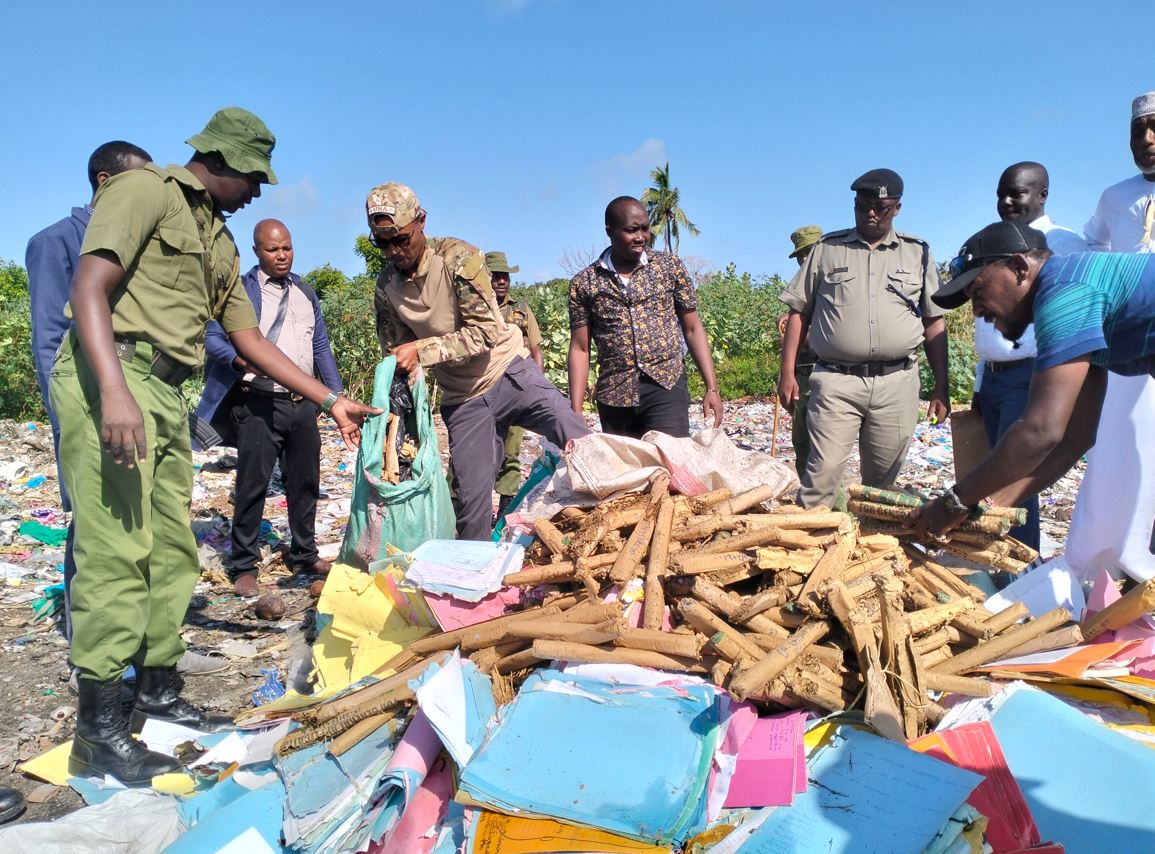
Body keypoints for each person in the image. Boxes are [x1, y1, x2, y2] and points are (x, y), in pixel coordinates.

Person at [56, 107, 375, 785]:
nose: (259, 190)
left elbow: (250, 340)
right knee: (116, 549)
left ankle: (158, 697)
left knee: (171, 552)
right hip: (114, 375)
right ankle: (99, 731)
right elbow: (90, 286)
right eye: (254, 176)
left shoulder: (220, 242)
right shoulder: (142, 192)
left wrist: (327, 397)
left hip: (171, 395)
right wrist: (113, 391)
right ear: (223, 161)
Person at [26, 142, 226, 677]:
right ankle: (93, 665)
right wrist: (77, 409)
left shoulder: (153, 228)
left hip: (145, 391)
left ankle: (148, 666)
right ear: (104, 182)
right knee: (100, 534)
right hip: (98, 393)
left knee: (152, 535)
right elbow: (51, 335)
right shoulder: (57, 241)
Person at [910, 220, 1155, 551]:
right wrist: (987, 507)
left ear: (1019, 267)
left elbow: (1040, 431)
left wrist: (953, 502)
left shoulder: (1064, 293)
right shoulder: (1074, 293)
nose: (977, 310)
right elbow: (1074, 438)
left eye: (978, 291)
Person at [370, 183, 588, 541]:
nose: (394, 251)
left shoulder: (458, 258)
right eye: (383, 243)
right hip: (464, 398)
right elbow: (395, 357)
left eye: (401, 239)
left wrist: (421, 351)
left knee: (577, 437)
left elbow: (484, 333)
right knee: (471, 504)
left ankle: (627, 515)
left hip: (508, 372)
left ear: (420, 222)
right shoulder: (387, 288)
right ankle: (476, 581)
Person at [778, 169, 949, 508]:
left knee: (881, 489)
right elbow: (799, 311)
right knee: (820, 479)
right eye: (863, 205)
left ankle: (869, 554)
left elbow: (933, 321)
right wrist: (786, 373)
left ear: (897, 208)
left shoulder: (918, 254)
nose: (871, 213)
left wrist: (941, 386)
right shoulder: (827, 250)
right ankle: (809, 553)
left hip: (897, 384)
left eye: (880, 207)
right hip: (836, 382)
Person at [196, 219, 342, 598]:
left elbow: (321, 349)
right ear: (257, 251)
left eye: (287, 248)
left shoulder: (305, 292)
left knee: (305, 482)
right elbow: (213, 338)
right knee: (252, 485)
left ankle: (303, 554)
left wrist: (335, 399)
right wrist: (242, 362)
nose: (282, 256)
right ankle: (243, 564)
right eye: (273, 250)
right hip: (259, 402)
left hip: (301, 405)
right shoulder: (242, 292)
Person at [971, 162, 1086, 550]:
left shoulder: (1064, 245)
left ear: (1041, 195)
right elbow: (985, 326)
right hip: (994, 376)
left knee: (1018, 465)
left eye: (1016, 193)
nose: (1006, 202)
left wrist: (954, 501)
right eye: (1000, 194)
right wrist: (978, 380)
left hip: (1036, 375)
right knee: (999, 469)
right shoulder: (995, 242)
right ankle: (997, 554)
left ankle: (1019, 562)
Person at [1065, 90, 1155, 583]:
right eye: (1137, 131)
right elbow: (1092, 244)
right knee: (1119, 448)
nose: (1146, 139)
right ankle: (1107, 559)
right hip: (1129, 346)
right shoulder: (1114, 197)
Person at [568, 196, 723, 439]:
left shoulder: (669, 267)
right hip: (615, 394)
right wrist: (575, 410)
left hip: (666, 385)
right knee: (627, 473)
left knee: (671, 466)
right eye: (631, 230)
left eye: (645, 228)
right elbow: (580, 347)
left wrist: (711, 388)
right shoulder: (584, 282)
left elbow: (692, 328)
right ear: (610, 231)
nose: (641, 236)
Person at [486, 251, 543, 519]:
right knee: (475, 452)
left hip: (516, 387)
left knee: (511, 451)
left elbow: (535, 350)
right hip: (482, 389)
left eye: (505, 277)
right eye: (495, 276)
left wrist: (537, 386)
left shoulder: (520, 309)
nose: (501, 282)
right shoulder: (474, 309)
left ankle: (504, 512)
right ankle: (466, 512)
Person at [778, 225, 822, 479]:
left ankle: (829, 507)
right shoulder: (800, 289)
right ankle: (808, 504)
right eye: (801, 256)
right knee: (802, 443)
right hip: (801, 373)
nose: (804, 260)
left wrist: (797, 326)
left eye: (809, 253)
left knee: (822, 446)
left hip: (824, 373)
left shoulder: (831, 286)